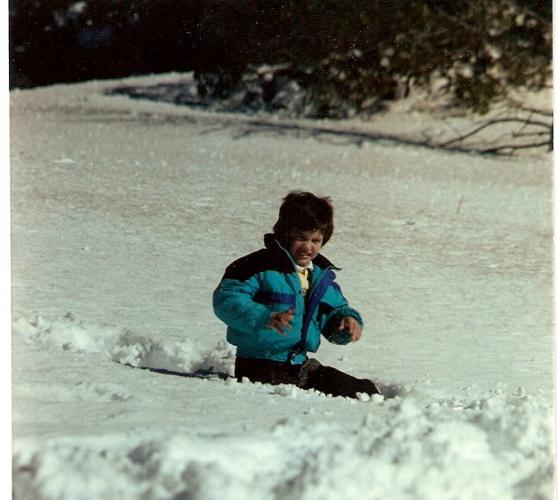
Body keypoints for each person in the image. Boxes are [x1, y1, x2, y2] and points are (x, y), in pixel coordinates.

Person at [213, 191, 380, 399]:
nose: (307, 247)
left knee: (362, 391)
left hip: (299, 364)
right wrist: (264, 317)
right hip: (259, 364)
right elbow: (226, 299)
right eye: (300, 238)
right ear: (285, 233)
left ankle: (376, 398)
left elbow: (333, 312)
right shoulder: (258, 266)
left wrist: (346, 323)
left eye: (315, 240)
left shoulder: (317, 277)